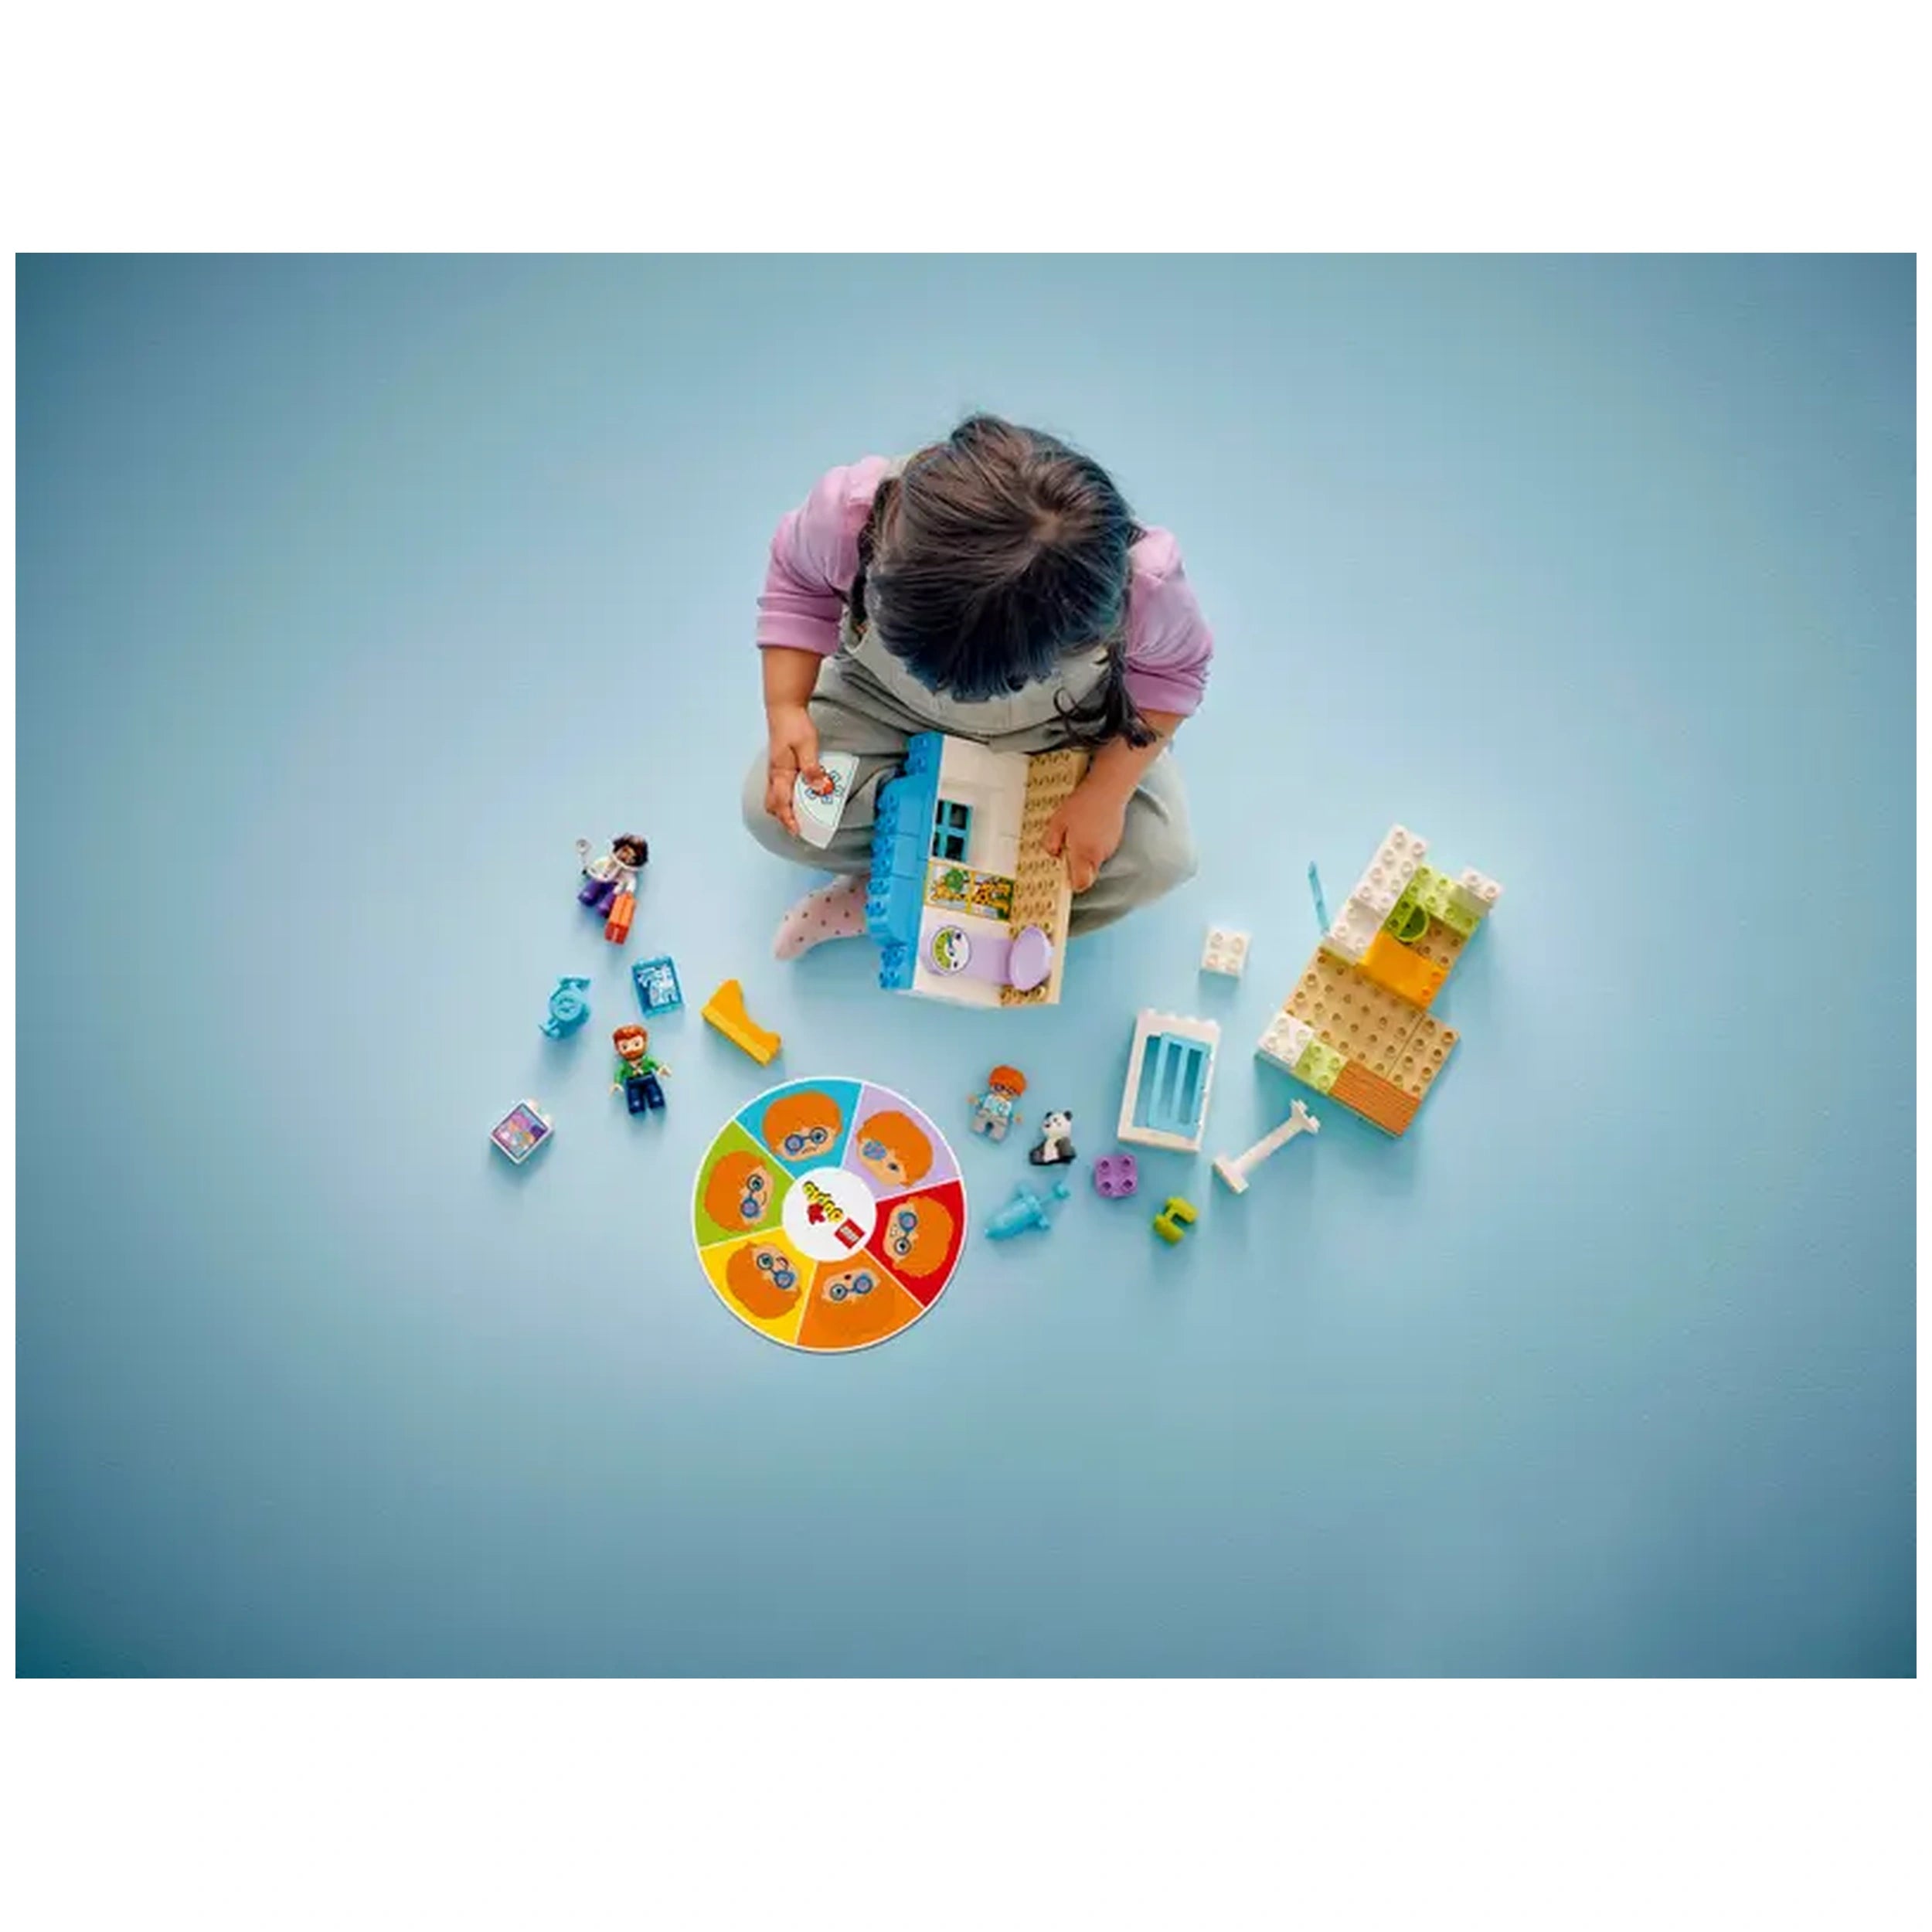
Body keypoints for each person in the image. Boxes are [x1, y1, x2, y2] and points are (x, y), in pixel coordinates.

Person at [743, 415, 1209, 958]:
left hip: (1058, 731)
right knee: (774, 808)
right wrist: (787, 706)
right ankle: (899, 884)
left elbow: (1176, 674)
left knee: (1160, 858)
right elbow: (798, 583)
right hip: (885, 704)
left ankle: (971, 909)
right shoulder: (850, 516)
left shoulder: (1145, 589)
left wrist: (1105, 794)